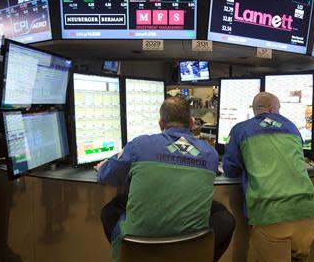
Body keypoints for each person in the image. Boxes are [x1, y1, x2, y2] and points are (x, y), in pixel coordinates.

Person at [95, 97, 235, 262]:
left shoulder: (139, 145)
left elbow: (107, 175)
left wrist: (103, 166)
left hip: (139, 247)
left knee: (111, 209)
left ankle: (125, 252)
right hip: (191, 248)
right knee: (223, 215)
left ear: (161, 123)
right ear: (191, 123)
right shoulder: (210, 154)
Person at [223, 92, 314, 262]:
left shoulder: (240, 129)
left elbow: (230, 169)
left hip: (270, 214)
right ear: (273, 108)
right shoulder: (292, 127)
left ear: (256, 110)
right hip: (309, 213)